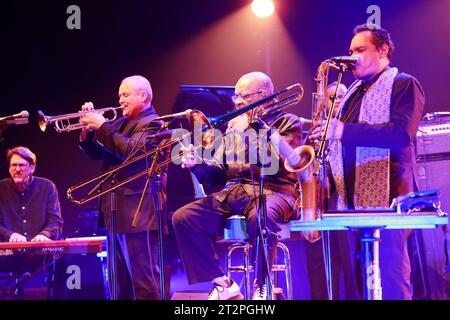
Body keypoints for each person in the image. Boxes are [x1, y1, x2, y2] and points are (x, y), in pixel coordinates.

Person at [310, 24, 425, 300]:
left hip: (389, 199)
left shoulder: (404, 84)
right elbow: (342, 141)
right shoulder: (352, 92)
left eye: (360, 50)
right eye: (350, 51)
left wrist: (342, 130)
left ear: (383, 50)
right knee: (356, 284)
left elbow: (401, 135)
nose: (352, 56)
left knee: (390, 278)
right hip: (347, 203)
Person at [172, 71, 302, 300]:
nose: (237, 102)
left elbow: (277, 163)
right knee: (184, 217)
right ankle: (223, 283)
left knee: (262, 216)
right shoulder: (233, 125)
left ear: (264, 95)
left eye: (243, 96)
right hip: (235, 191)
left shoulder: (287, 122)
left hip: (276, 190)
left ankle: (263, 284)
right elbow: (218, 174)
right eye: (236, 96)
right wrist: (197, 165)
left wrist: (252, 127)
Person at [78, 75, 169, 300]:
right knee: (119, 287)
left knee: (144, 284)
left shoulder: (154, 123)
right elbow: (95, 153)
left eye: (125, 95)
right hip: (115, 212)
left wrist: (102, 126)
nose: (120, 100)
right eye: (119, 95)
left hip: (138, 213)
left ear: (143, 96)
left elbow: (132, 153)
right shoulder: (122, 124)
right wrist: (88, 131)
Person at [304, 81, 361, 300]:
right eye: (332, 98)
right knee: (322, 266)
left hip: (347, 199)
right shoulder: (317, 129)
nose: (338, 100)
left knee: (350, 263)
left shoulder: (353, 125)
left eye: (341, 97)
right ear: (323, 103)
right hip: (321, 202)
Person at [0, 146, 63, 274]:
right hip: (6, 256)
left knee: (64, 262)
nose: (17, 169)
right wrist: (10, 234)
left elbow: (55, 221)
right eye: (14, 165)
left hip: (40, 255)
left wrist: (44, 235)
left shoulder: (47, 186)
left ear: (32, 168)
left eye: (22, 165)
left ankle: (54, 295)